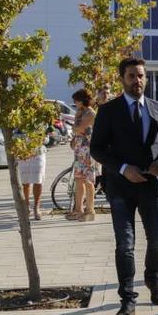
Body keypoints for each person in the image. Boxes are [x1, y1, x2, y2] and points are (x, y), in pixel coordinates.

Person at [90, 57, 158, 315]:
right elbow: (97, 149)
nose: (137, 81)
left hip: (151, 185)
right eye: (131, 76)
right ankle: (127, 299)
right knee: (125, 245)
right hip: (121, 188)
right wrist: (123, 167)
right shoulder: (108, 111)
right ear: (122, 79)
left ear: (146, 78)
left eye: (140, 76)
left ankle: (153, 280)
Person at [69, 88, 97, 221]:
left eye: (76, 100)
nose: (75, 102)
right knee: (79, 179)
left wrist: (76, 129)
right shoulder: (80, 112)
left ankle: (90, 210)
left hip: (88, 150)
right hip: (79, 149)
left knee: (88, 180)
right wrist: (75, 132)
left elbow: (78, 128)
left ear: (82, 100)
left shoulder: (90, 113)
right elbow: (76, 129)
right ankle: (78, 209)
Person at [16, 132, 46, 220]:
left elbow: (46, 138)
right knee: (25, 182)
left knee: (38, 180)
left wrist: (43, 138)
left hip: (38, 152)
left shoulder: (41, 120)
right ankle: (26, 207)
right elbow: (14, 134)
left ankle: (36, 208)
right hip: (23, 153)